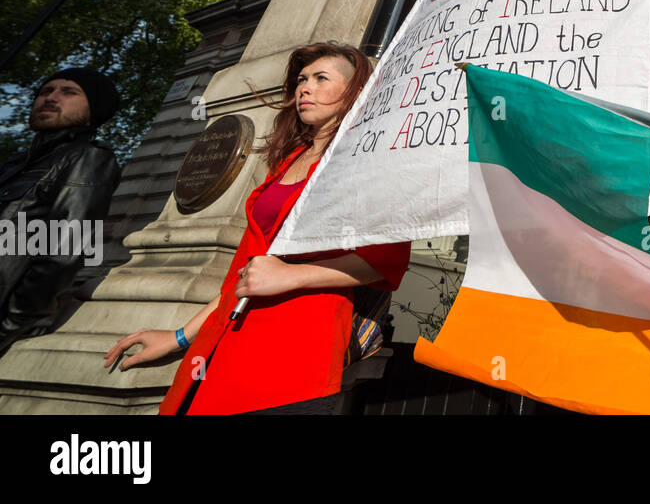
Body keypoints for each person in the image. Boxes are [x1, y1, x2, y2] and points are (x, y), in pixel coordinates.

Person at [105, 42, 410, 414]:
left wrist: (291, 275)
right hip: (224, 345)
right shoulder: (289, 160)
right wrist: (180, 337)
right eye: (301, 79)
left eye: (320, 78)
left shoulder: (367, 161)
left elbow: (385, 259)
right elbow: (245, 273)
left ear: (354, 92)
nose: (304, 88)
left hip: (292, 354)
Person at [1, 68, 121, 356]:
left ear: (93, 111)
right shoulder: (16, 163)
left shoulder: (89, 158)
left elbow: (63, 251)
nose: (51, 98)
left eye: (69, 92)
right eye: (45, 91)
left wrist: (9, 325)